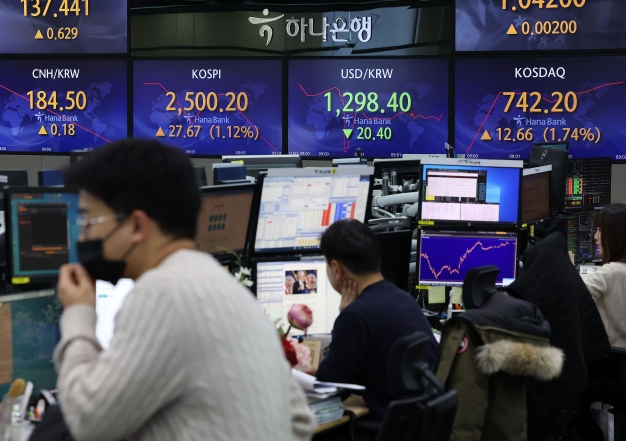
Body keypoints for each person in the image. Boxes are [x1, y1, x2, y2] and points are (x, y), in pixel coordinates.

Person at [53, 139, 314, 441]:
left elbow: (87, 420)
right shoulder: (227, 286)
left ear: (138, 226)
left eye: (88, 220)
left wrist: (79, 314)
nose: (83, 235)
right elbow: (299, 420)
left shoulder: (162, 292)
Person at [315, 219, 438, 421]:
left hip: (379, 429)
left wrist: (344, 314)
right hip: (414, 425)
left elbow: (330, 387)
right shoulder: (404, 299)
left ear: (336, 268)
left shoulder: (355, 316)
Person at [584, 203, 626, 347]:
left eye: (600, 230)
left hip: (613, 358)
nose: (596, 236)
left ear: (614, 235)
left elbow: (573, 300)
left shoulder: (608, 273)